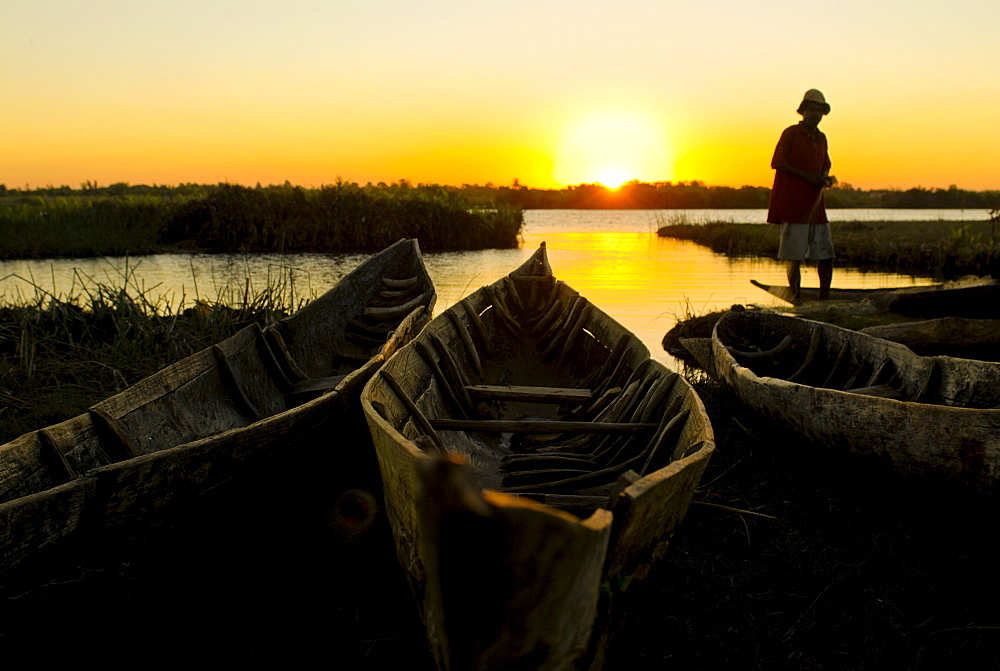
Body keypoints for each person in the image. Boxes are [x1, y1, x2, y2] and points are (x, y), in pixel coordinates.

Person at [767, 89, 836, 299]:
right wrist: (808, 177)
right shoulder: (790, 134)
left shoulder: (821, 138)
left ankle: (825, 299)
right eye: (812, 110)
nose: (815, 114)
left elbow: (826, 164)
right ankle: (796, 297)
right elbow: (777, 163)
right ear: (803, 111)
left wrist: (824, 176)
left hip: (816, 208)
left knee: (826, 255)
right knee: (793, 257)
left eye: (819, 111)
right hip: (793, 206)